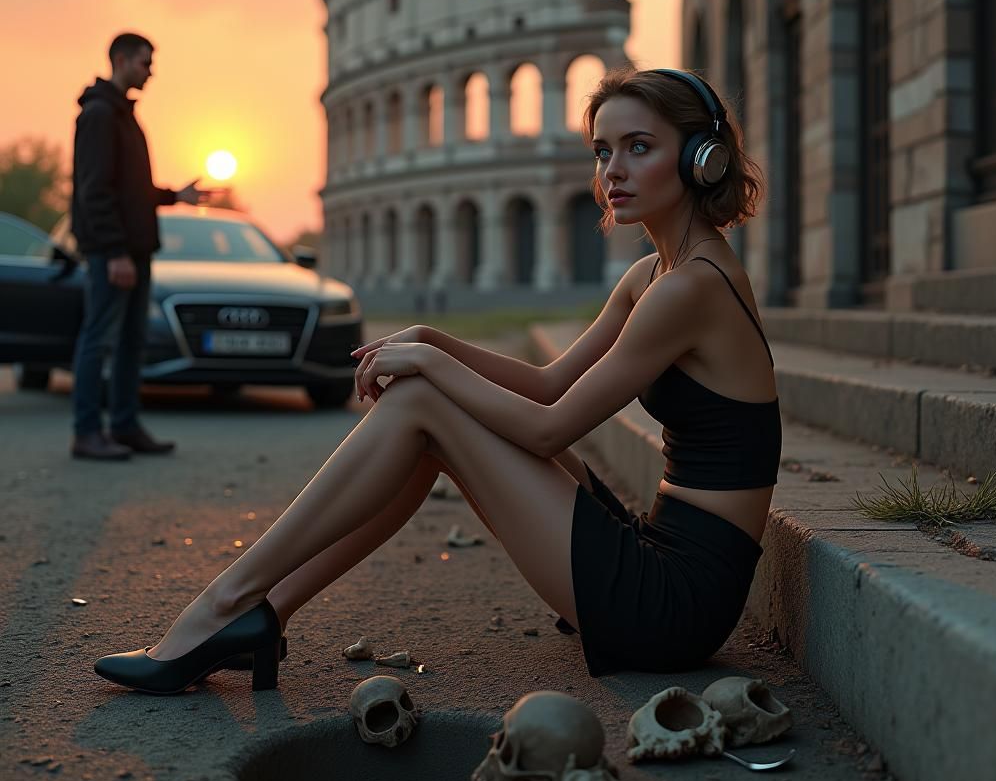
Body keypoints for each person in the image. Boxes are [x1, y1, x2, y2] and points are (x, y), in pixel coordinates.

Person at [93, 65, 782, 693]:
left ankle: (225, 604)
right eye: (603, 152)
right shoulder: (653, 276)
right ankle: (259, 613)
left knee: (424, 401)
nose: (613, 171)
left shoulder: (690, 288)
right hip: (655, 549)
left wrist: (428, 365)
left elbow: (549, 428)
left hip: (671, 607)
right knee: (425, 416)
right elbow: (546, 385)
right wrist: (429, 338)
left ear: (702, 158)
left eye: (639, 147)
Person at [70, 33, 213, 461]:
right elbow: (94, 191)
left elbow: (132, 190)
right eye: (144, 63)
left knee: (132, 341)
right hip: (113, 253)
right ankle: (87, 432)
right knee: (98, 339)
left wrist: (174, 197)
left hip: (135, 249)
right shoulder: (99, 115)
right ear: (120, 59)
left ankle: (126, 426)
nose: (151, 71)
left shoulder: (124, 117)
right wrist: (114, 252)